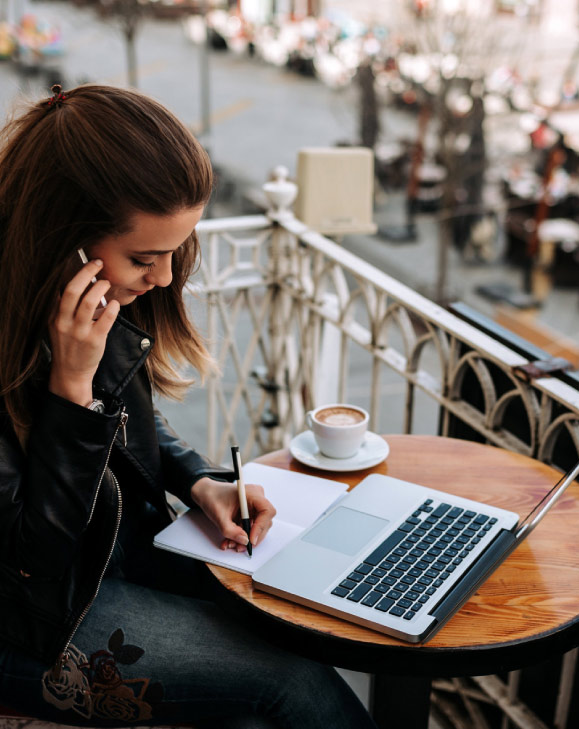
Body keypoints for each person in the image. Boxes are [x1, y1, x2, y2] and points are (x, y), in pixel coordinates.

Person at [0, 84, 377, 729]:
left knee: (301, 627)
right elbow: (31, 561)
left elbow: (125, 419)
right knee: (293, 685)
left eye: (177, 249)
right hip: (35, 619)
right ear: (59, 241)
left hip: (127, 555)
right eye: (145, 257)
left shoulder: (89, 298)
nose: (168, 277)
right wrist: (70, 390)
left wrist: (200, 482)